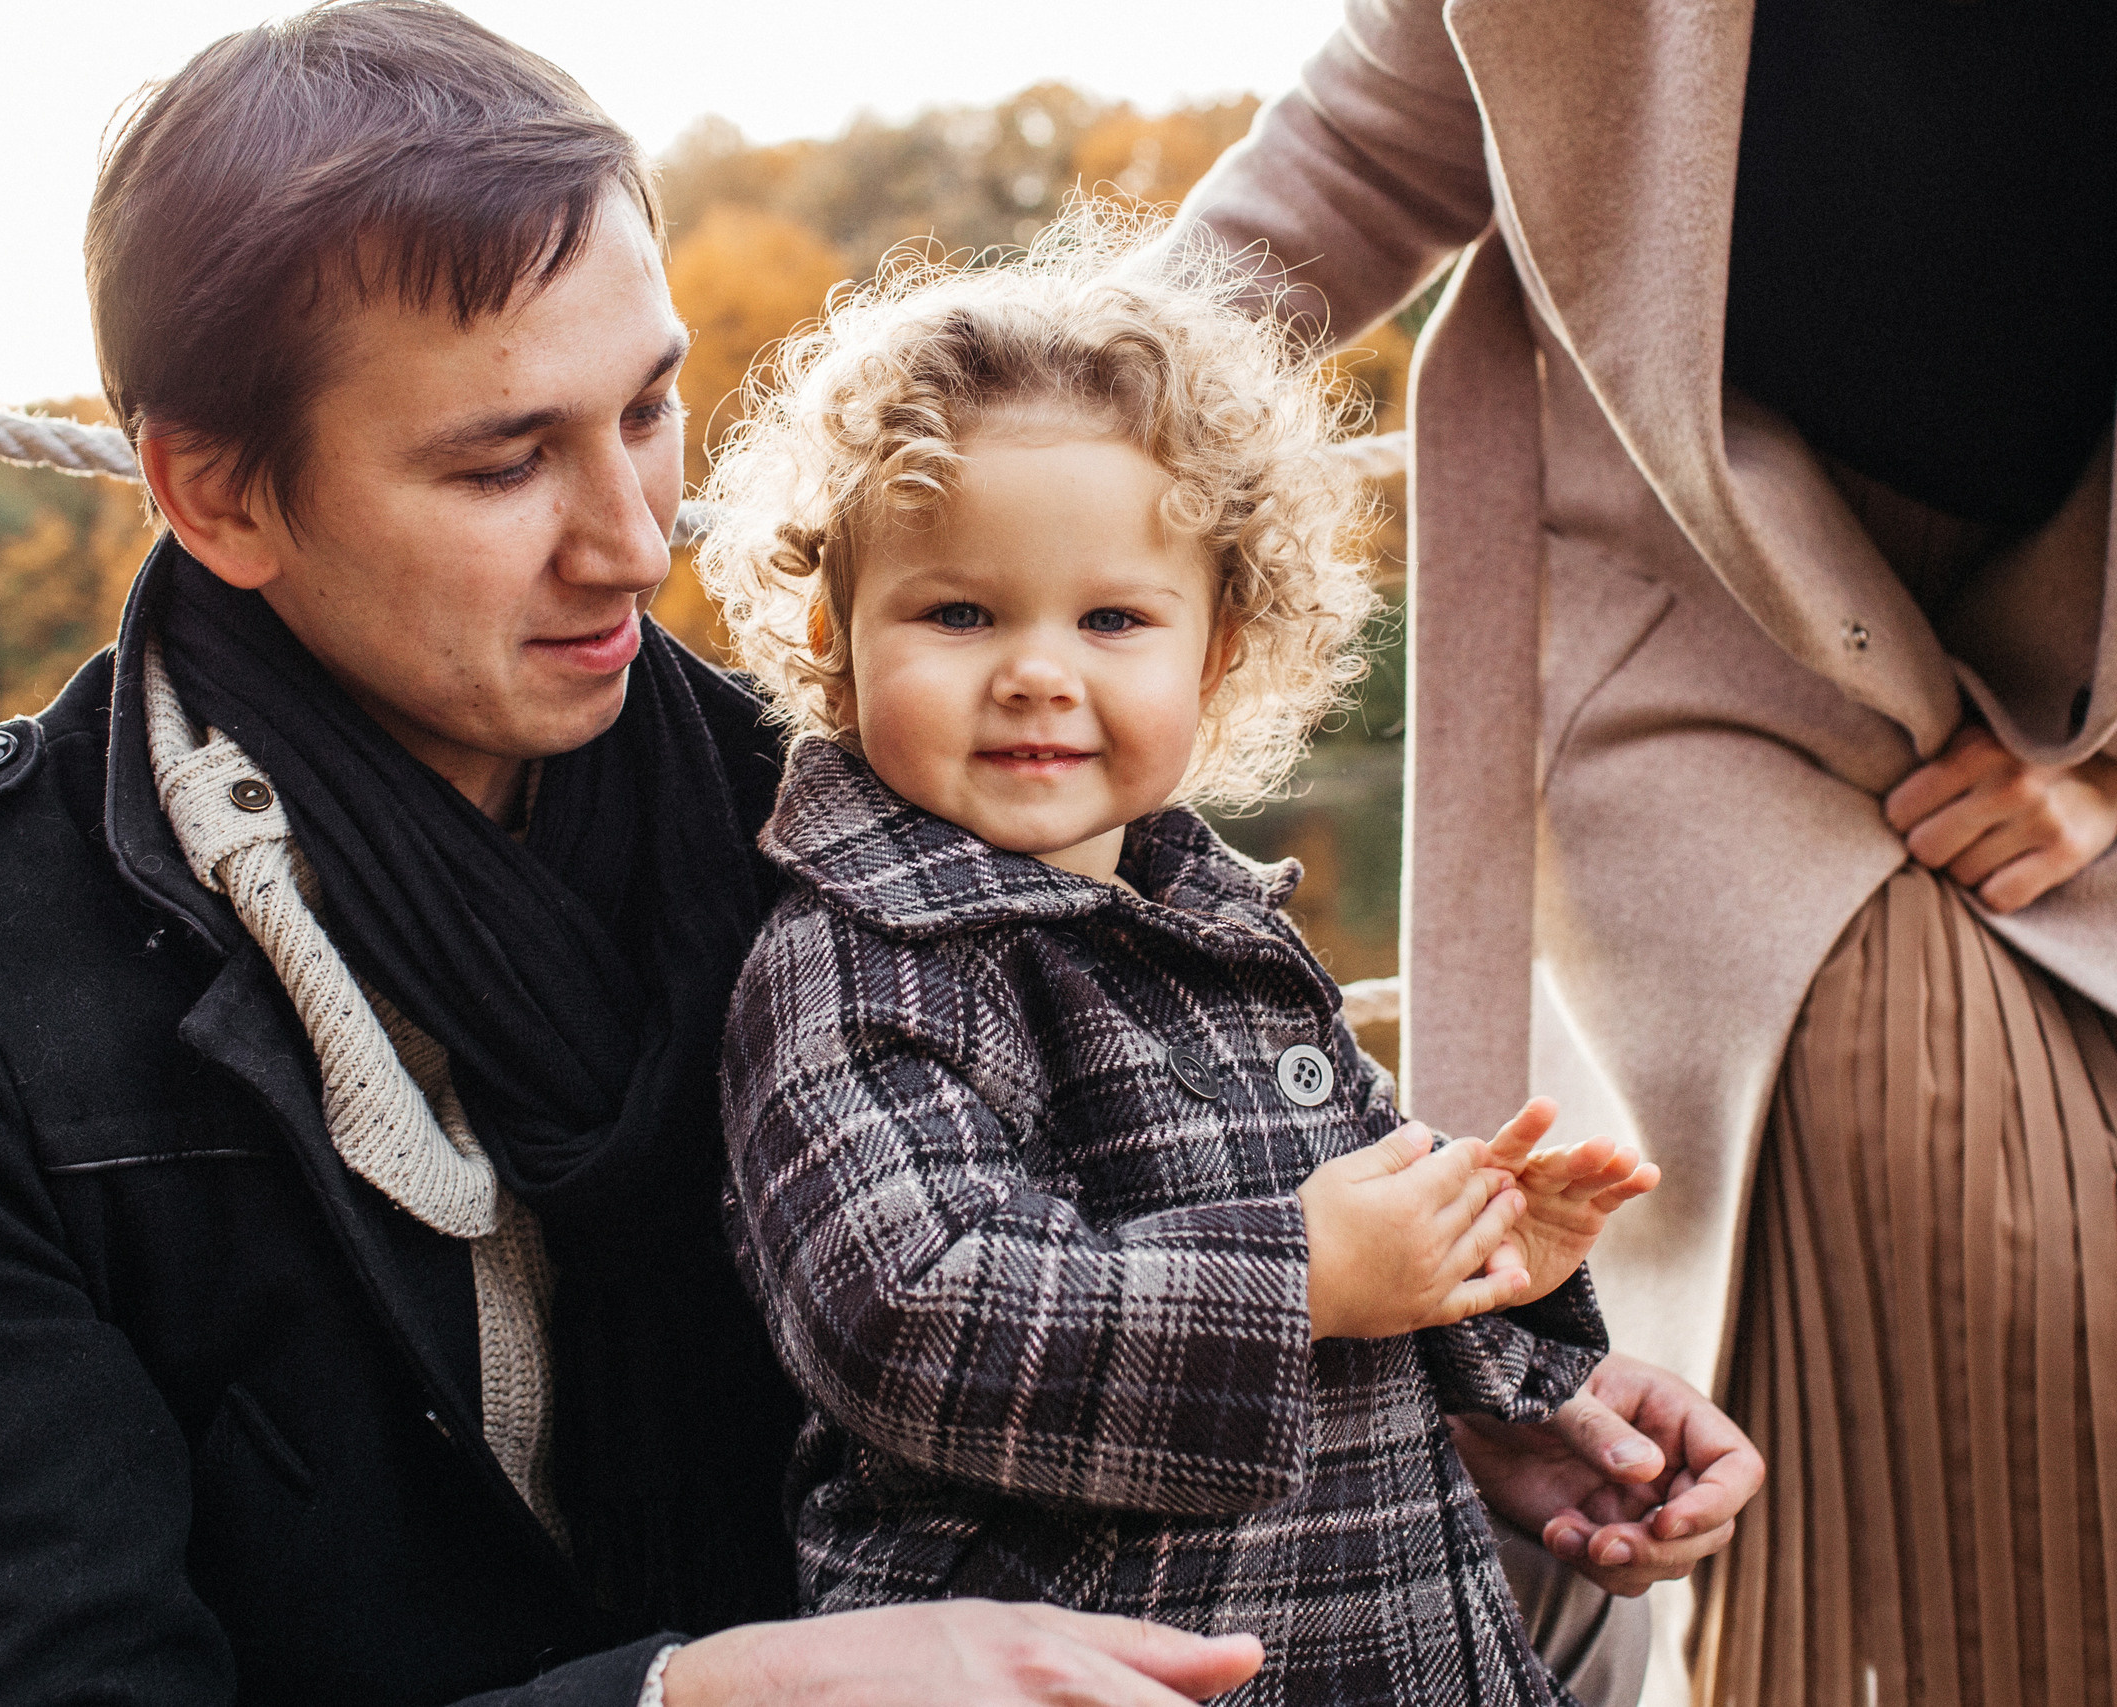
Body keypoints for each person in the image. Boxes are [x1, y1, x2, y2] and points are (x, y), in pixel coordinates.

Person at [0, 5, 1757, 1705]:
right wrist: (694, 1702)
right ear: (215, 492)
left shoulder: (859, 819)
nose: (628, 535)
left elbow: (1173, 1214)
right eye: (502, 460)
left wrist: (1483, 1392)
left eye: (650, 411)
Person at [1175, 1, 2117, 1701]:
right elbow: (1351, 166)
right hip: (1688, 595)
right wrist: (991, 452)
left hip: (2085, 649)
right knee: (1959, 1177)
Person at [697, 218, 1661, 1704]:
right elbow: (905, 1312)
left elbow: (1354, 1254)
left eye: (1112, 619)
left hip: (1381, 1641)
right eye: (957, 613)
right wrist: (1312, 1275)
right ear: (836, 635)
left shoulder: (1222, 927)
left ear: (1214, 656)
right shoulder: (859, 956)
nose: (1035, 669)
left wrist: (1484, 1271)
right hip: (1091, 1664)